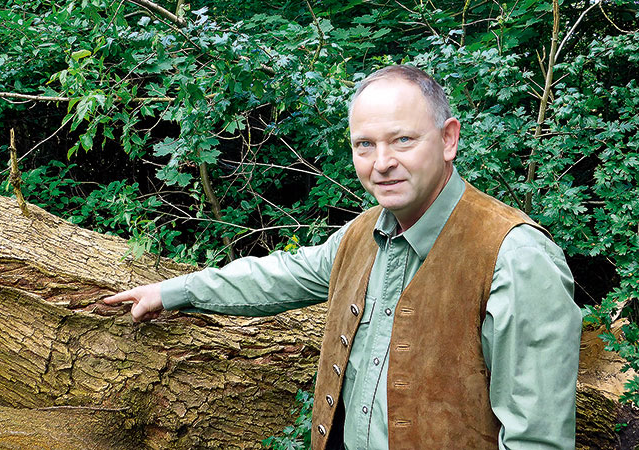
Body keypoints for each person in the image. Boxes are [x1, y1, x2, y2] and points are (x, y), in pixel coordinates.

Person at [104, 65, 582, 449]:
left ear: (448, 138)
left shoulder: (515, 256)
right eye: (364, 145)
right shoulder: (362, 235)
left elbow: (536, 437)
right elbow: (278, 276)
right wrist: (173, 291)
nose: (382, 163)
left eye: (403, 140)